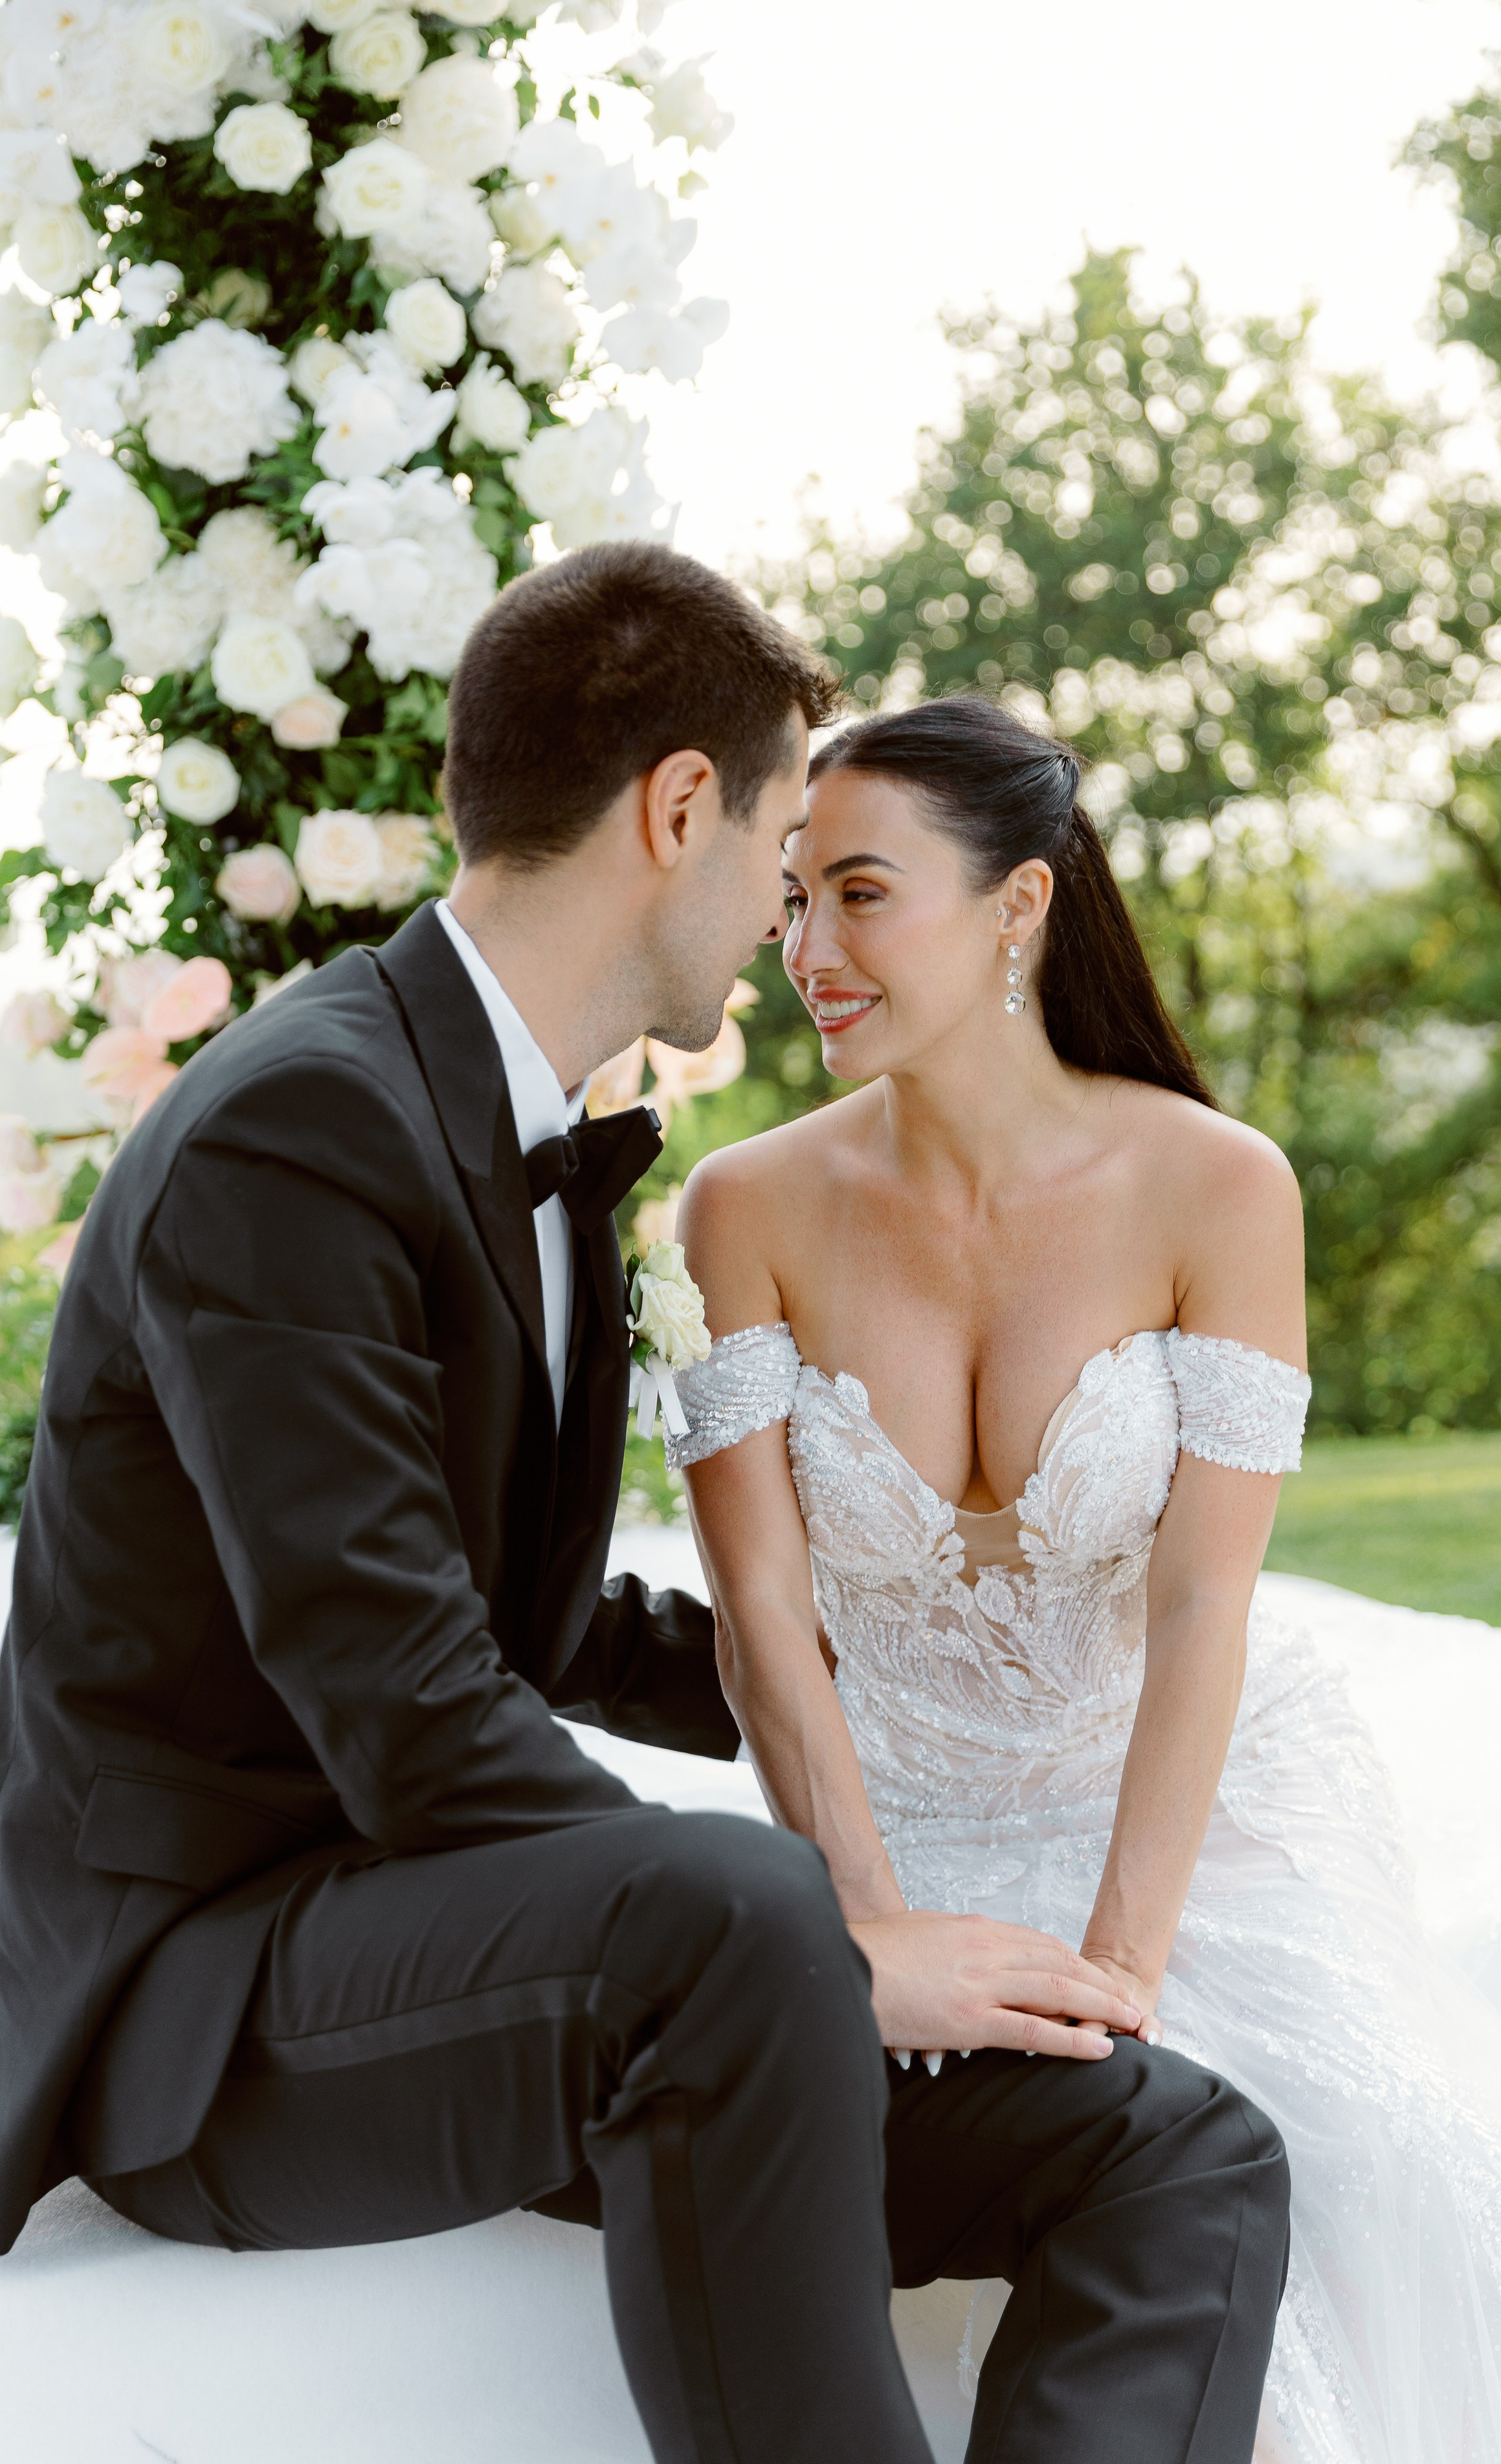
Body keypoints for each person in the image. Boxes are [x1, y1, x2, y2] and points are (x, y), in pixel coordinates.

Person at [0, 550, 1291, 2463]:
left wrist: (881, 1641)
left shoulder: (509, 1123)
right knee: (734, 1909)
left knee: (1176, 2145)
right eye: (785, 835)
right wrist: (841, 1947)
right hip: (224, 2001)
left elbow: (522, 1615)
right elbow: (398, 1687)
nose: (788, 905)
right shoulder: (305, 1126)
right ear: (680, 807)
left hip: (442, 1945)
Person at [671, 692, 1501, 2463]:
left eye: (862, 894)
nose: (807, 945)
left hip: (1185, 1797)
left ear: (1020, 908)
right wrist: (871, 1931)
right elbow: (764, 1619)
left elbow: (1207, 1603)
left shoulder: (1221, 1188)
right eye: (795, 899)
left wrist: (1122, 1969)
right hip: (893, 1813)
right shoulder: (741, 1208)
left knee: (1337, 2154)